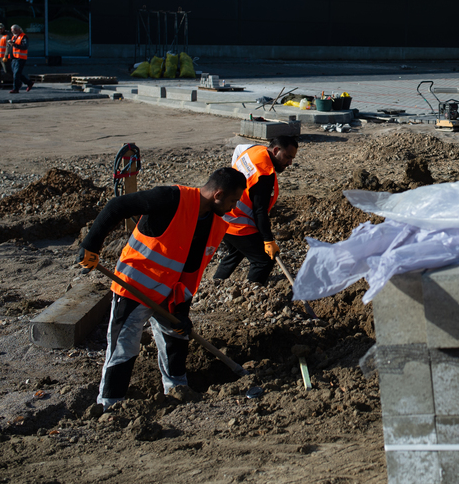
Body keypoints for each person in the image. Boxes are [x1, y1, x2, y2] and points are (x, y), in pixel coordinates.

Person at [77, 167, 247, 407]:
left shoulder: (214, 225)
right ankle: (110, 404)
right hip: (133, 286)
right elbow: (117, 206)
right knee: (124, 346)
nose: (234, 207)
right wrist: (90, 245)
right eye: (232, 200)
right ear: (217, 194)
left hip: (169, 294)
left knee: (176, 338)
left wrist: (180, 309)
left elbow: (191, 271)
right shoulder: (171, 198)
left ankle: (177, 391)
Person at [213, 134, 299, 285]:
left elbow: (238, 150)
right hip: (237, 223)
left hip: (224, 214)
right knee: (264, 260)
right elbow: (260, 211)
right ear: (276, 150)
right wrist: (268, 240)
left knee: (236, 252)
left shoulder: (254, 150)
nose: (289, 163)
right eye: (287, 157)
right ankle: (252, 290)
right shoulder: (264, 173)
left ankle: (217, 283)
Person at [8, 24, 35, 94]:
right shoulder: (14, 37)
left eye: (15, 30)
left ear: (19, 29)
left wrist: (14, 45)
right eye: (12, 30)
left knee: (16, 73)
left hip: (20, 58)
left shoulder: (23, 36)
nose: (14, 32)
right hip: (14, 58)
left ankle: (15, 88)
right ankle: (29, 82)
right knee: (16, 73)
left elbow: (25, 46)